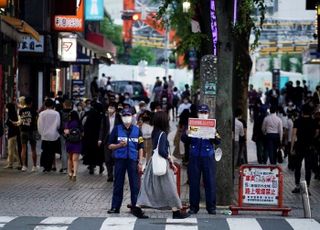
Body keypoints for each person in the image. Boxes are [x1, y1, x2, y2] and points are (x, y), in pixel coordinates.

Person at [136, 111, 190, 219]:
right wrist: (170, 160)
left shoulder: (155, 132)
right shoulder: (163, 134)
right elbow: (162, 151)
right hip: (161, 163)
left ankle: (137, 207)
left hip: (153, 163)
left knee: (148, 186)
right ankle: (176, 211)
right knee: (170, 186)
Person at [107, 108, 144, 215]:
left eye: (128, 115)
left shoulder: (137, 130)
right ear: (122, 117)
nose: (127, 117)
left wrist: (140, 162)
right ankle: (115, 207)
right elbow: (109, 145)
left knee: (135, 185)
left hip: (133, 160)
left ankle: (135, 207)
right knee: (118, 183)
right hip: (120, 160)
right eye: (124, 115)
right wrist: (119, 145)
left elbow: (141, 147)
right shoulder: (116, 129)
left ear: (132, 117)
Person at [187, 104, 221, 215]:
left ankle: (211, 207)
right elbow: (183, 139)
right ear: (197, 114)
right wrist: (187, 133)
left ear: (208, 114)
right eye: (201, 112)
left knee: (210, 182)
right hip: (195, 156)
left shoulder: (212, 125)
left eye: (205, 113)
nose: (203, 115)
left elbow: (218, 141)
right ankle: (193, 207)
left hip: (208, 156)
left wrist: (214, 134)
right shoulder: (193, 125)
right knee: (194, 183)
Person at [291, 105, 319, 194]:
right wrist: (311, 138)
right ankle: (307, 187)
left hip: (299, 146)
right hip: (309, 147)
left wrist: (292, 147)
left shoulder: (297, 121)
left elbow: (294, 134)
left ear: (302, 112)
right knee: (308, 168)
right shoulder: (314, 121)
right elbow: (317, 132)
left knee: (297, 167)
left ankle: (297, 186)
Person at [99, 103, 122, 182]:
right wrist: (100, 139)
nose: (110, 109)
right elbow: (102, 129)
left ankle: (117, 175)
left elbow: (122, 128)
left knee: (116, 158)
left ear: (115, 109)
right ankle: (110, 175)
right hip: (107, 140)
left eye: (112, 108)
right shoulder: (105, 118)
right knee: (107, 158)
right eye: (109, 108)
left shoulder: (119, 117)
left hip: (116, 140)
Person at [37, 99, 61, 172]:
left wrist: (41, 133)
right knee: (52, 151)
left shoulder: (42, 114)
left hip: (45, 135)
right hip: (54, 135)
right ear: (52, 105)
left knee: (45, 151)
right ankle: (51, 166)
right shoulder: (56, 113)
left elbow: (39, 124)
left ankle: (45, 166)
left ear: (45, 105)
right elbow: (58, 125)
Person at [18, 97, 38, 172]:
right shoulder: (33, 111)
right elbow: (36, 121)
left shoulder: (21, 110)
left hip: (23, 131)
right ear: (31, 103)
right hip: (32, 130)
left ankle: (23, 166)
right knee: (33, 149)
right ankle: (34, 166)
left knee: (23, 148)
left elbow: (20, 121)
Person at [64, 111, 82, 181]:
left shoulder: (68, 123)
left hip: (69, 142)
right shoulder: (79, 123)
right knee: (75, 160)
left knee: (70, 159)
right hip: (77, 143)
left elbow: (65, 133)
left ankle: (69, 173)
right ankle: (74, 174)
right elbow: (83, 134)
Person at [4, 103, 21, 169]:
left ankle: (10, 164)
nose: (6, 109)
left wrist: (8, 123)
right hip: (16, 134)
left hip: (12, 134)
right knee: (15, 150)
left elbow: (11, 124)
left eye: (7, 108)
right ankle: (19, 163)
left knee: (11, 149)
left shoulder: (10, 115)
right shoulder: (15, 114)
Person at [58, 99, 73, 174]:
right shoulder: (74, 112)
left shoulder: (60, 112)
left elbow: (59, 123)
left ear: (64, 104)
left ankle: (64, 168)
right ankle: (72, 167)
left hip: (63, 132)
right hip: (72, 133)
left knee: (63, 150)